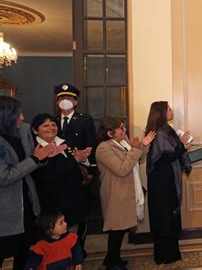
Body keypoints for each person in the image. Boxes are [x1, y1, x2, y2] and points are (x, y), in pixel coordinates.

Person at [0, 96, 64, 270]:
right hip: (6, 211)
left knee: (26, 254)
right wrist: (36, 158)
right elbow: (4, 177)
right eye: (18, 114)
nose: (22, 118)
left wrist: (44, 158)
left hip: (28, 205)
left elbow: (30, 163)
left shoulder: (23, 132)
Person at [95, 116, 155, 270]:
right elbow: (122, 169)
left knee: (122, 229)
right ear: (110, 133)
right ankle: (112, 263)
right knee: (116, 230)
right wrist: (135, 148)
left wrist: (143, 145)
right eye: (121, 128)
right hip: (116, 193)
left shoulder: (123, 142)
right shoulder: (104, 148)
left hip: (128, 190)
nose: (125, 130)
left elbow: (138, 158)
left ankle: (112, 258)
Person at [145, 101, 192, 265]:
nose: (172, 111)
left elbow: (173, 151)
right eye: (170, 109)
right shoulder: (158, 131)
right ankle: (164, 255)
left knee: (170, 216)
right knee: (163, 217)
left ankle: (172, 253)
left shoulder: (167, 129)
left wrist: (181, 143)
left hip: (168, 179)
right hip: (161, 182)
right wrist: (183, 145)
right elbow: (168, 155)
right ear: (162, 112)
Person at [54, 83, 98, 256]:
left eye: (69, 98)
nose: (65, 101)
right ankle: (61, 250)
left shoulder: (84, 120)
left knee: (79, 214)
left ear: (75, 101)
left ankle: (78, 249)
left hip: (80, 173)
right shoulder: (53, 121)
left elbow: (91, 146)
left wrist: (91, 171)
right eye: (62, 98)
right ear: (57, 101)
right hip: (58, 175)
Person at [30, 113, 90, 234]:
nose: (51, 127)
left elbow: (73, 167)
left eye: (53, 124)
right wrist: (75, 160)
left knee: (75, 240)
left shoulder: (63, 143)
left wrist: (82, 159)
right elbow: (49, 175)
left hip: (74, 202)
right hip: (55, 206)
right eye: (45, 125)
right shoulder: (35, 149)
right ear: (35, 130)